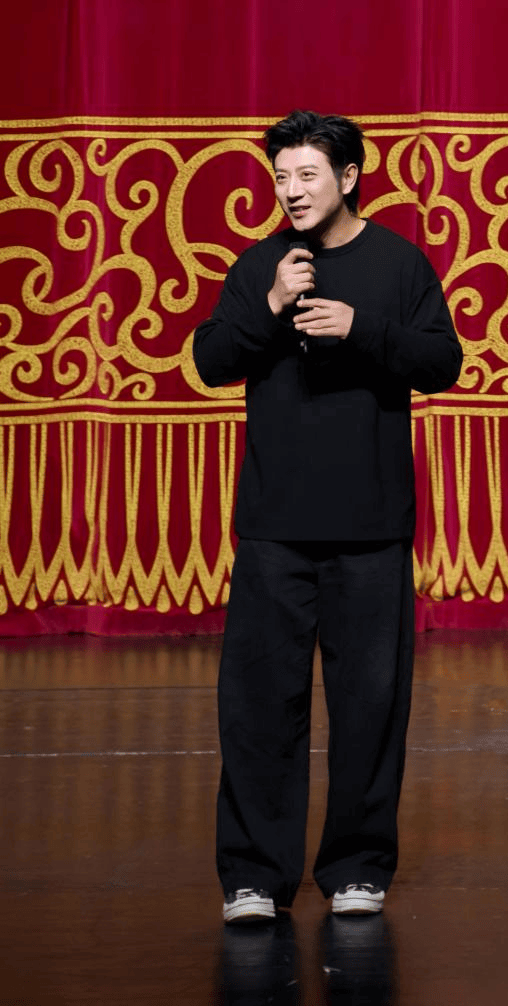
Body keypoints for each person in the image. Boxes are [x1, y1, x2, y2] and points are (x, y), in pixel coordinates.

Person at [193, 109, 462, 925]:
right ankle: (253, 877)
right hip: (273, 529)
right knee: (258, 709)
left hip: (371, 527)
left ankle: (357, 867)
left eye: (307, 175)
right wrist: (271, 303)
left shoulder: (399, 264)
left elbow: (442, 362)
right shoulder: (261, 266)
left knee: (370, 708)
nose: (292, 191)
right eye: (281, 177)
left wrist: (362, 328)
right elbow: (210, 360)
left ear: (348, 177)